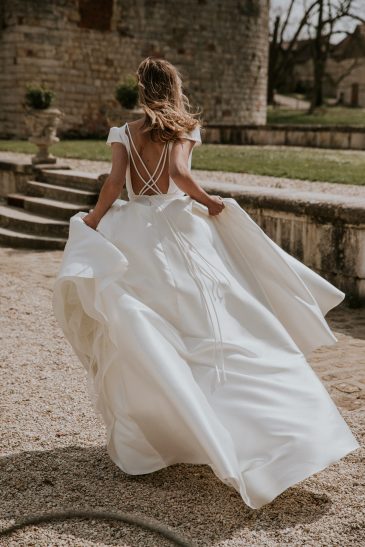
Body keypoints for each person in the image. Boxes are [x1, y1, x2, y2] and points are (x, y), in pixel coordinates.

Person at [53, 57, 360, 510]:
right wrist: (209, 201)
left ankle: (170, 429)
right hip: (181, 231)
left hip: (135, 235)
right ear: (175, 87)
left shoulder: (123, 132)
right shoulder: (184, 129)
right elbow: (178, 175)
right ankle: (257, 429)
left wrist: (93, 222)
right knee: (218, 327)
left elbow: (114, 186)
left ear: (141, 88)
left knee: (149, 334)